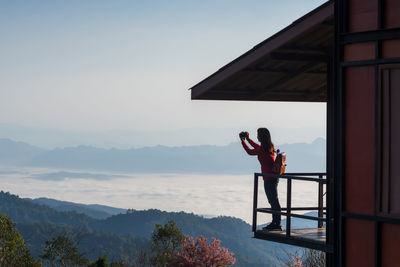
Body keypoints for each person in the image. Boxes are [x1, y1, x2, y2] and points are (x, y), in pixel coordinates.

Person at [240, 128, 282, 231]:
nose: (257, 137)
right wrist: (248, 139)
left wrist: (243, 141)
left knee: (273, 201)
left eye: (258, 135)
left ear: (262, 137)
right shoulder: (269, 147)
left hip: (268, 178)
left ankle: (276, 224)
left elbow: (250, 151)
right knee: (273, 200)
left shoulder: (262, 149)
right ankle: (276, 222)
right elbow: (256, 147)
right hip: (273, 177)